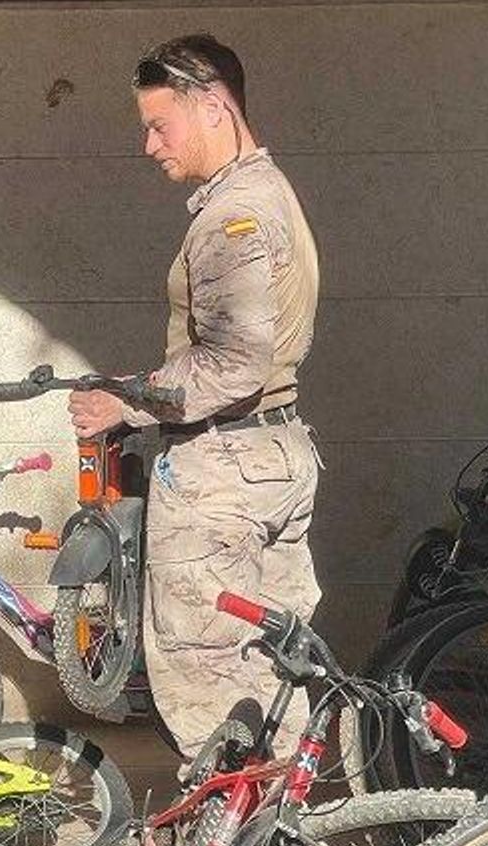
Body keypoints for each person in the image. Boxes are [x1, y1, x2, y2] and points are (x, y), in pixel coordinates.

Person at [66, 34, 323, 761]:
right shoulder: (271, 193)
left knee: (202, 673)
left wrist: (128, 404)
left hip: (223, 472)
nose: (149, 145)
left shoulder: (231, 217)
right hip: (274, 454)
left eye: (159, 124)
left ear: (214, 106)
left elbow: (234, 365)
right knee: (273, 671)